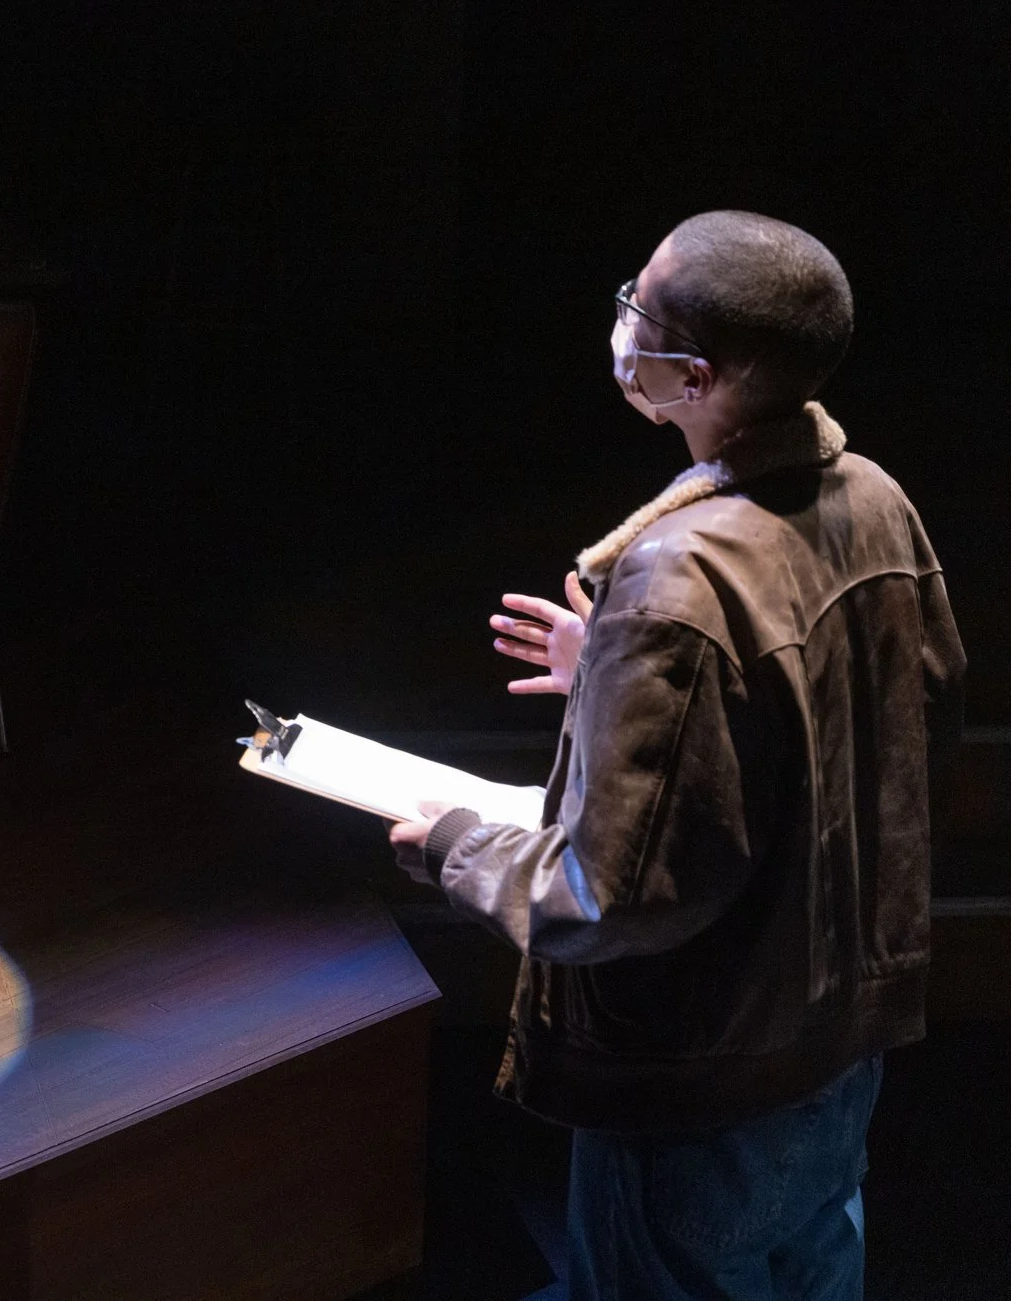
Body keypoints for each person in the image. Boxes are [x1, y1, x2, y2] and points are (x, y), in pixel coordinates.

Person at [390, 212, 963, 1299]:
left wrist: (454, 847)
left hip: (705, 1074)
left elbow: (611, 895)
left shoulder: (679, 579)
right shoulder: (876, 497)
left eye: (636, 309)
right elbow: (908, 723)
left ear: (692, 377)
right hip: (833, 1038)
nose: (620, 324)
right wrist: (615, 675)